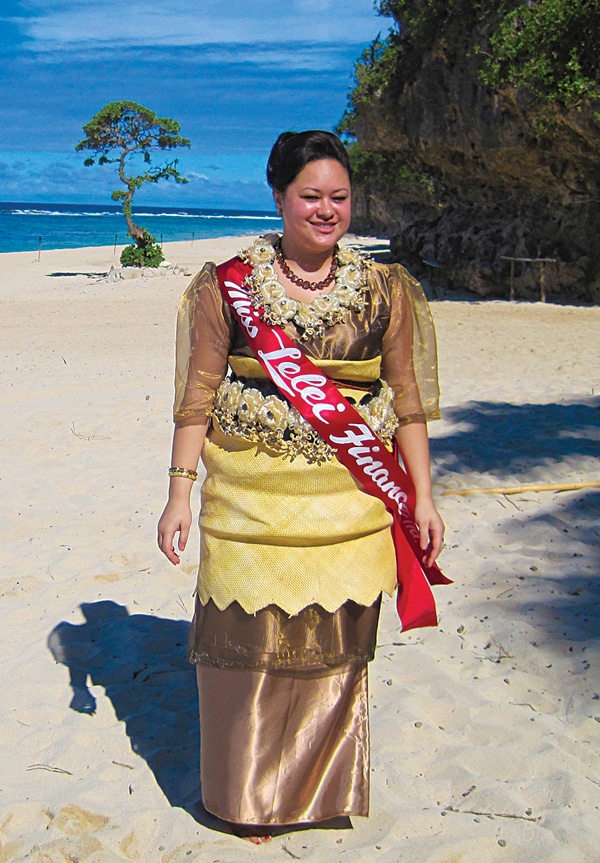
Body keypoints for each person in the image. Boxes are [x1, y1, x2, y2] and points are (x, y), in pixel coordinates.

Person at [157, 130, 444, 844]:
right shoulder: (228, 285)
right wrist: (178, 491)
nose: (327, 210)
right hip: (248, 500)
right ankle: (248, 800)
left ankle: (317, 794)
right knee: (243, 647)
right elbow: (198, 394)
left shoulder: (384, 290)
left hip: (347, 502)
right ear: (279, 197)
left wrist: (425, 497)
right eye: (310, 196)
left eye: (339, 197)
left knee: (331, 649)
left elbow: (406, 401)